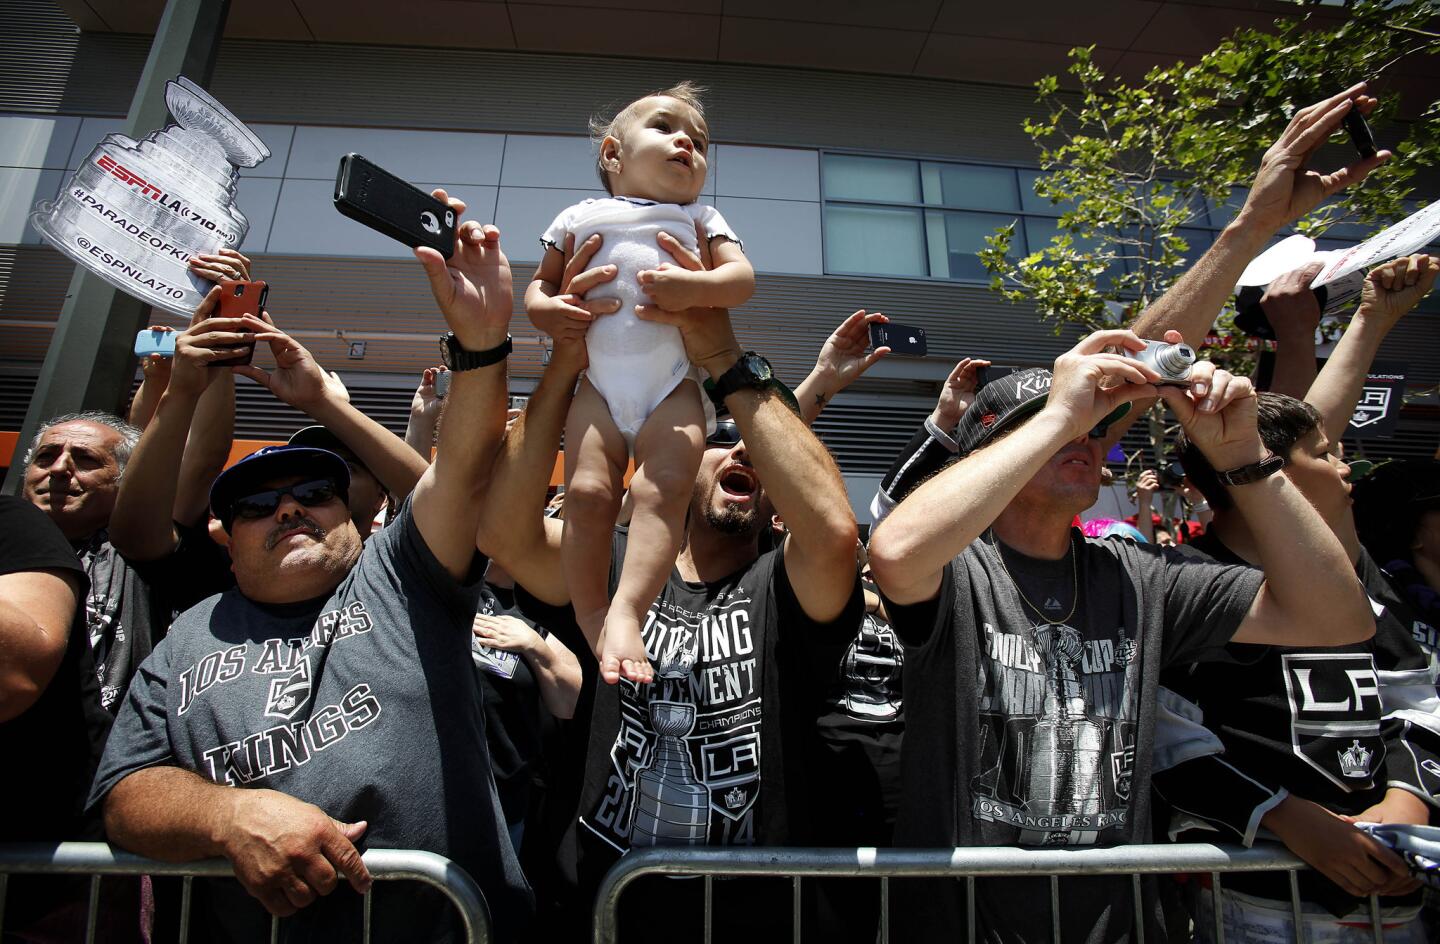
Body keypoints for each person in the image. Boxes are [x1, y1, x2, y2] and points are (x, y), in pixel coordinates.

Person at [89, 192, 534, 943]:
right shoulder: (188, 634)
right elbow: (125, 793)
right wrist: (228, 815)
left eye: (315, 492)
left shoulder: (404, 578)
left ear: (355, 515)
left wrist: (483, 343)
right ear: (222, 537)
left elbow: (460, 469)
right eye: (259, 507)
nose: (291, 509)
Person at [866, 323, 1375, 941]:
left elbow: (1337, 618)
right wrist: (1059, 413)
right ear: (988, 455)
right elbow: (893, 554)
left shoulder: (1142, 576)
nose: (1083, 434)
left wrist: (1245, 459)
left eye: (1092, 427)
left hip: (1124, 922)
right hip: (961, 921)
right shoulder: (956, 570)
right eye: (1046, 425)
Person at [487, 230, 860, 940]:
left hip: (753, 919)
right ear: (676, 469)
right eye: (718, 446)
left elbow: (835, 532)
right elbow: (504, 533)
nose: (739, 455)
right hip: (601, 912)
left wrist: (723, 360)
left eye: (754, 455)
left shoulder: (784, 586)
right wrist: (569, 363)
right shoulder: (613, 560)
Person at [1156, 392, 1436, 943]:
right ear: (1267, 471)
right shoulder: (1182, 581)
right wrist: (1281, 816)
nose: (1344, 466)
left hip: (1394, 897)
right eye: (1324, 452)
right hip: (1255, 901)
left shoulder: (1358, 580)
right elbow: (1161, 732)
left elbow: (1415, 696)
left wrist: (1407, 799)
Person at [526, 81, 756, 686]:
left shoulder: (700, 217)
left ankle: (629, 608)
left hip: (671, 384)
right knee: (585, 494)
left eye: (701, 142)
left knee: (665, 490)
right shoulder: (576, 216)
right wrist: (548, 313)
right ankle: (591, 612)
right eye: (665, 127)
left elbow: (739, 279)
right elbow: (538, 290)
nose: (688, 143)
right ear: (612, 152)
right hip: (597, 386)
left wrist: (698, 288)